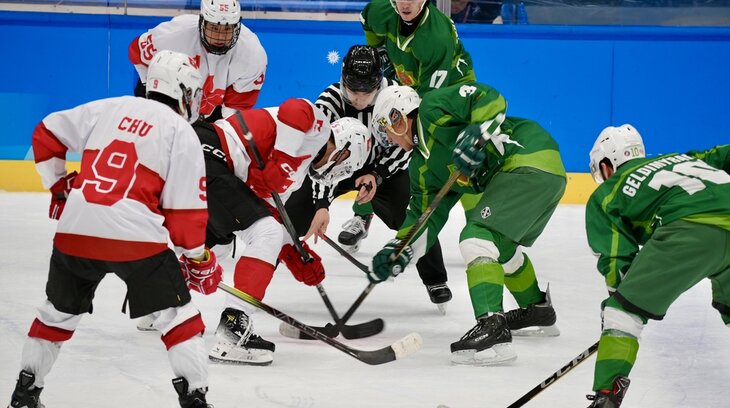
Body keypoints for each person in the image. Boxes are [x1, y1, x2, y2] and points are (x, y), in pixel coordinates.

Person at [6, 50, 222, 408]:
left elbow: (46, 133)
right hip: (136, 241)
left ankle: (24, 396)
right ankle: (195, 401)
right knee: (177, 317)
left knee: (56, 314)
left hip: (75, 232)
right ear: (183, 91)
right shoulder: (180, 131)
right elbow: (186, 214)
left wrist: (59, 187)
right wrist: (197, 258)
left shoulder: (110, 107)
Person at [367, 83, 566, 365]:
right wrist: (400, 249)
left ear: (397, 117)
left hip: (527, 157)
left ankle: (492, 326)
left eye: (386, 130)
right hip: (544, 173)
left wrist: (477, 131)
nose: (389, 140)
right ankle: (537, 309)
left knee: (477, 238)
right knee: (501, 247)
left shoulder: (432, 109)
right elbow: (425, 217)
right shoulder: (421, 167)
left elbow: (489, 98)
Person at [288, 44, 452, 308]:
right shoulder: (328, 102)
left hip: (381, 167)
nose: (358, 99)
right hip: (336, 168)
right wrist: (321, 205)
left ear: (379, 82)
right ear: (343, 79)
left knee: (411, 214)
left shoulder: (393, 95)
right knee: (291, 217)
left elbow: (404, 145)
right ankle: (263, 265)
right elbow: (318, 156)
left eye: (367, 92)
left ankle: (436, 279)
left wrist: (377, 174)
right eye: (353, 90)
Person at [580, 125, 730, 408]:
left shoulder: (608, 193)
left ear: (606, 164)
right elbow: (724, 154)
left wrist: (618, 306)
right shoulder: (683, 159)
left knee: (622, 313)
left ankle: (606, 399)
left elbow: (616, 261)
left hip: (691, 229)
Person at [193, 98, 332, 366]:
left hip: (208, 165)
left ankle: (164, 305)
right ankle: (233, 331)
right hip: (209, 150)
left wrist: (294, 251)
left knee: (217, 246)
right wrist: (282, 160)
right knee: (266, 233)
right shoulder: (320, 133)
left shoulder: (297, 177)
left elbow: (265, 213)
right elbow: (296, 108)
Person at [129, 0, 267, 122]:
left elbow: (236, 107)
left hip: (211, 111)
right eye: (214, 28)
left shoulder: (252, 54)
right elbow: (136, 52)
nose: (220, 37)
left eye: (227, 29)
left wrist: (219, 134)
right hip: (165, 95)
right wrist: (149, 87)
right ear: (202, 22)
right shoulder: (175, 34)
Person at [361, 0, 476, 97]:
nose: (405, 5)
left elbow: (430, 98)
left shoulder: (437, 38)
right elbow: (366, 20)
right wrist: (379, 52)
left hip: (453, 86)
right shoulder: (379, 11)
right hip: (411, 81)